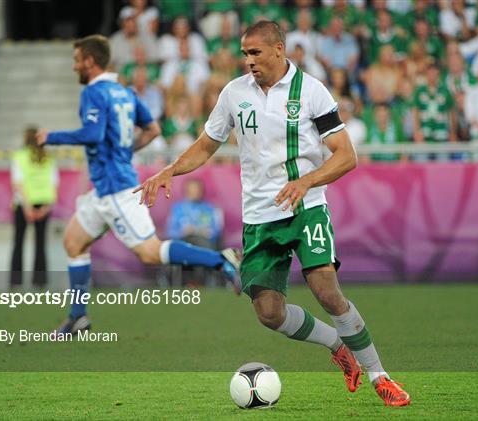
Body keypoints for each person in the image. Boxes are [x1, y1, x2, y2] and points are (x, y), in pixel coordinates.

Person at [136, 21, 410, 407]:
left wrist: (307, 182)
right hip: (260, 217)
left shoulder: (312, 91)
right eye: (245, 54)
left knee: (327, 292)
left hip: (306, 207)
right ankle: (336, 345)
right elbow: (206, 144)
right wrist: (169, 170)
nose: (248, 61)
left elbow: (346, 155)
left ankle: (380, 377)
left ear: (279, 50)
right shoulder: (234, 93)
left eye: (255, 53)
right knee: (269, 314)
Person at [35, 35, 239, 334]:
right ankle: (78, 317)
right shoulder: (124, 92)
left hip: (117, 190)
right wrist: (122, 152)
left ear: (90, 62)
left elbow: (92, 134)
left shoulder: (94, 93)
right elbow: (154, 129)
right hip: (103, 191)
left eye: (77, 59)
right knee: (73, 242)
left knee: (150, 252)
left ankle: (220, 260)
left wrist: (51, 137)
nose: (74, 65)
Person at [10, 127, 58, 289]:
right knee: (40, 244)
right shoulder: (49, 158)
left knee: (18, 243)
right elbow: (54, 184)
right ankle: (40, 281)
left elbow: (17, 183)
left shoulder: (20, 156)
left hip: (24, 205)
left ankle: (15, 282)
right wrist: (46, 207)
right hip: (43, 203)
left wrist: (26, 207)